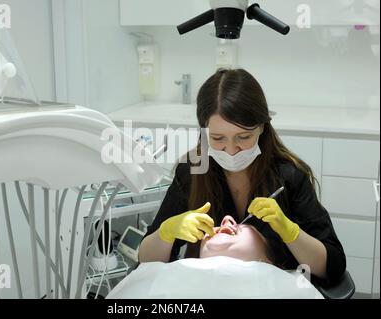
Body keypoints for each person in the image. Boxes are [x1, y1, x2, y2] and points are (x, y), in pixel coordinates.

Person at [139, 68, 346, 285]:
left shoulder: (290, 178)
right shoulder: (193, 172)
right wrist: (167, 233)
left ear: (262, 128)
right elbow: (146, 260)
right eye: (218, 138)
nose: (231, 150)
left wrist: (290, 231)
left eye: (243, 137)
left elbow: (333, 267)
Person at [107, 215, 322, 299]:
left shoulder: (287, 285)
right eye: (218, 138)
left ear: (267, 261)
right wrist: (165, 232)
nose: (227, 220)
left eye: (243, 226)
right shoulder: (170, 271)